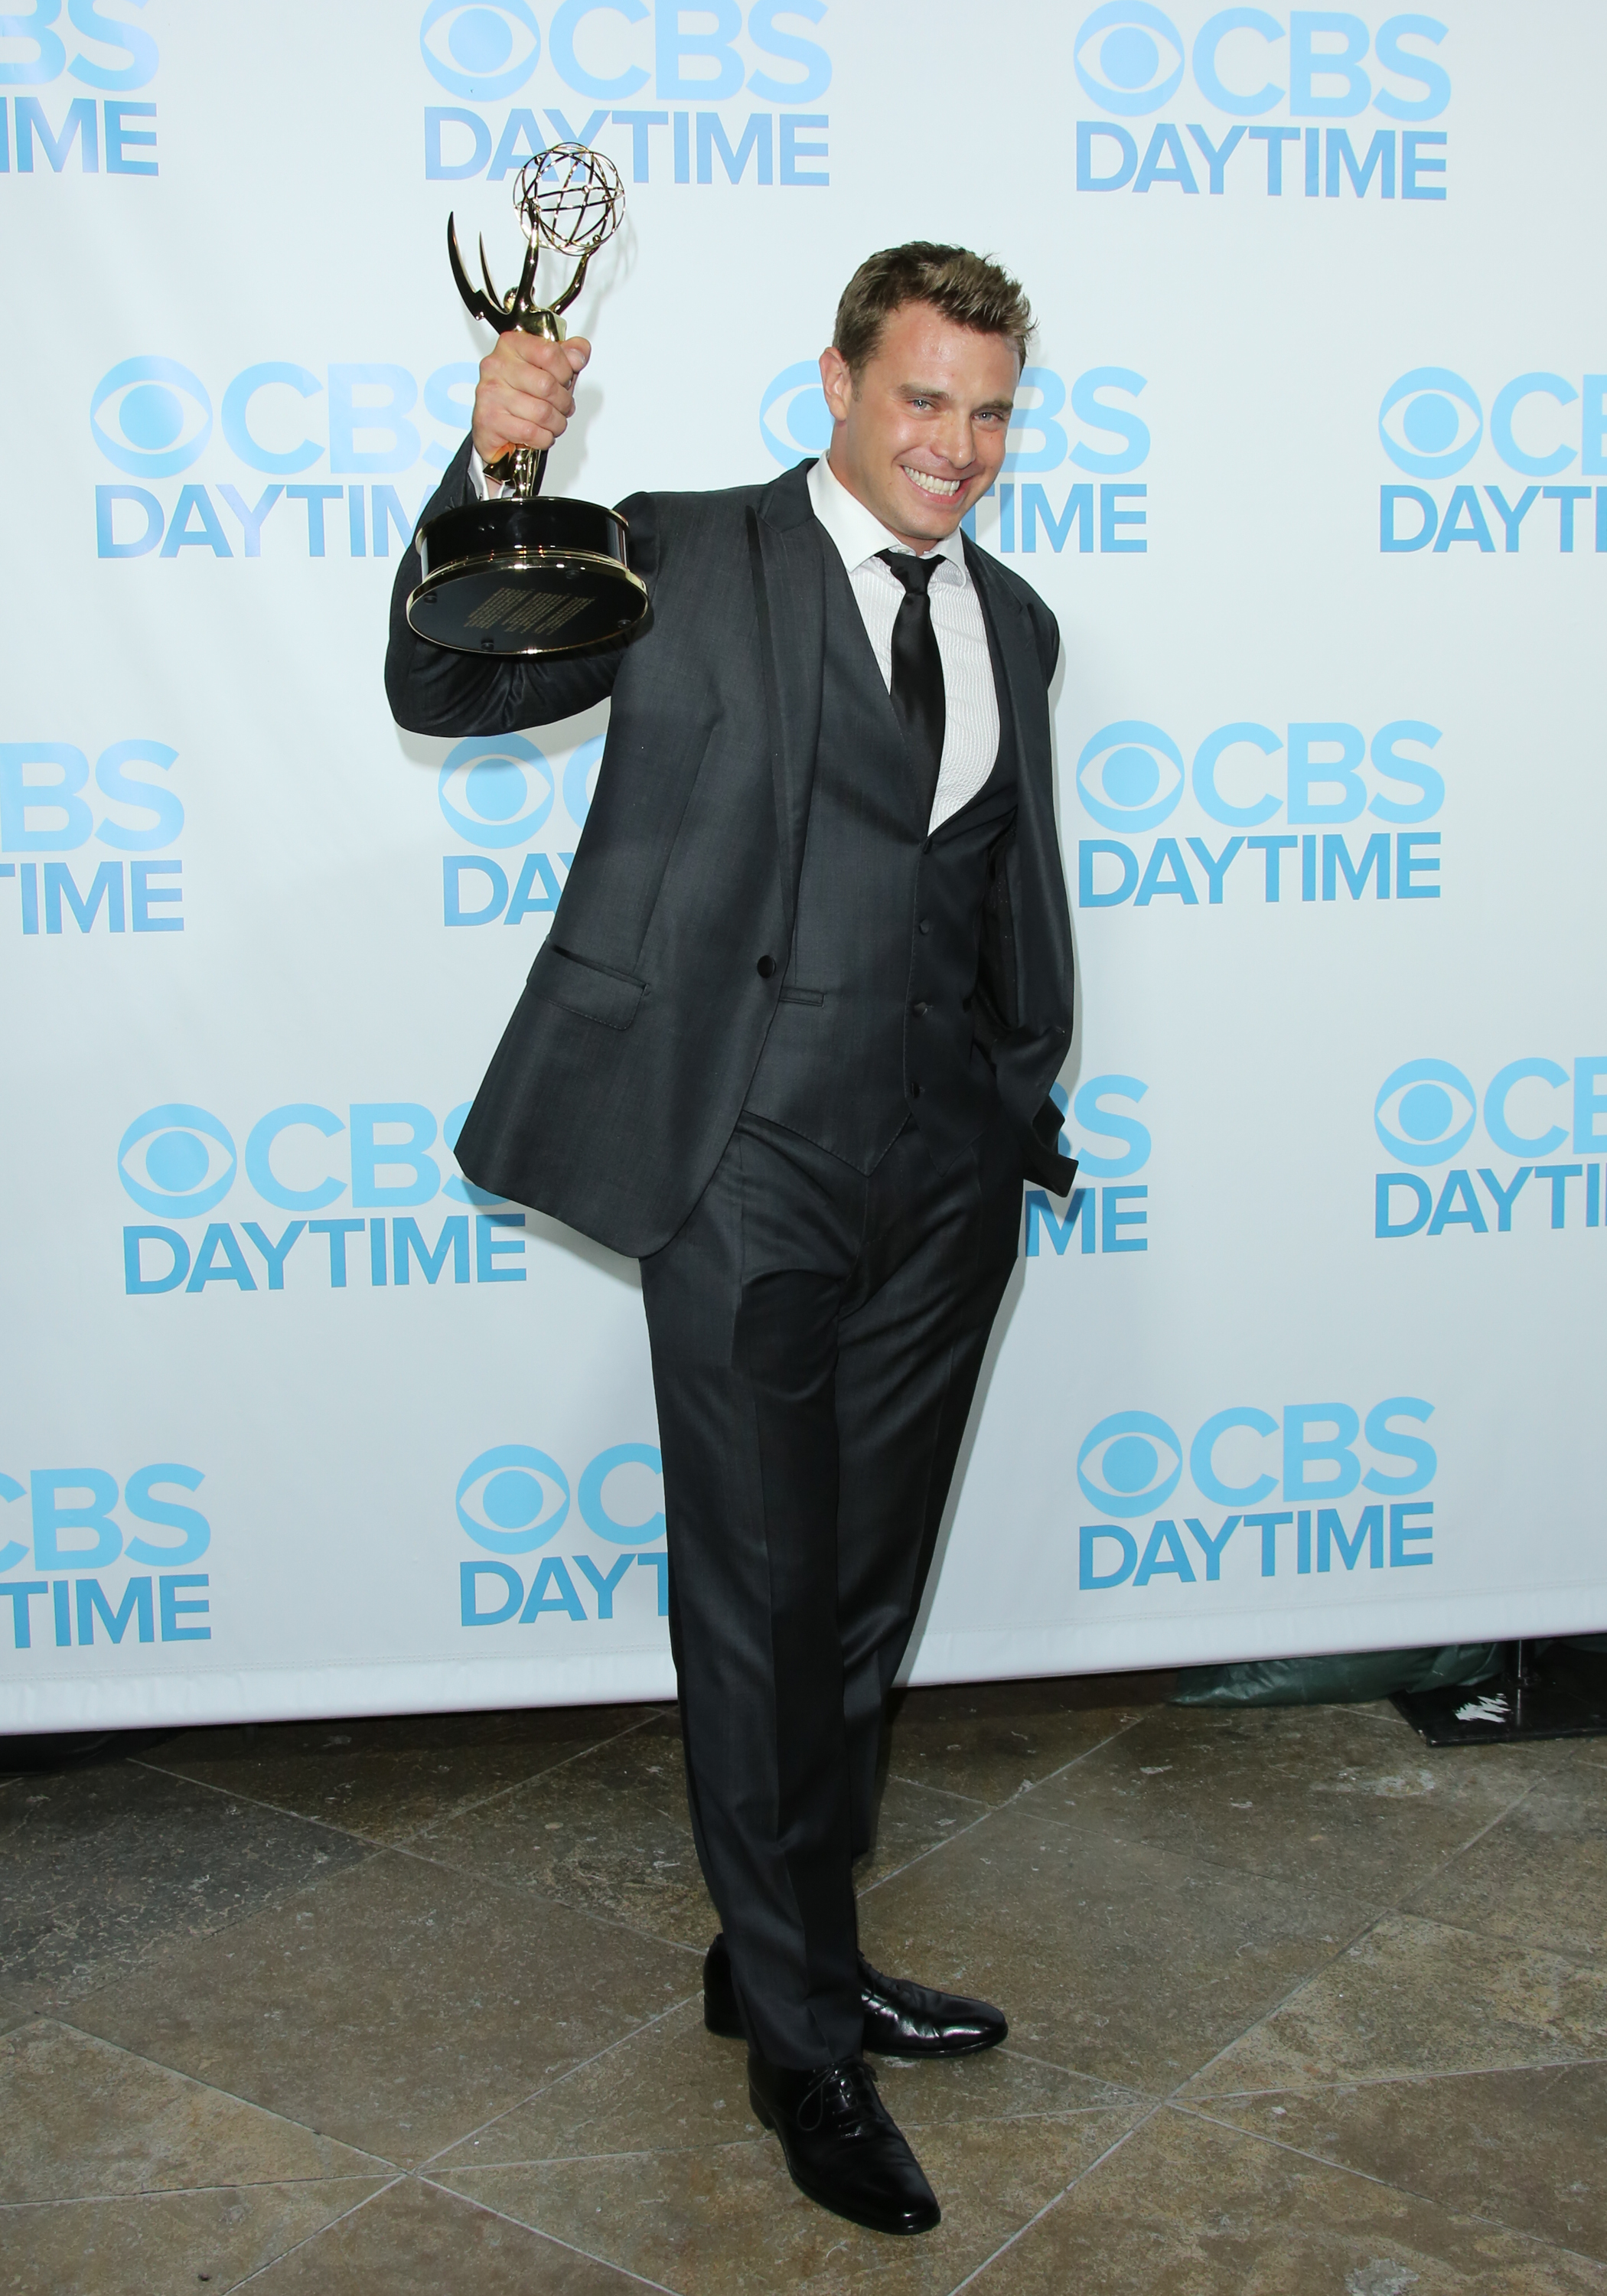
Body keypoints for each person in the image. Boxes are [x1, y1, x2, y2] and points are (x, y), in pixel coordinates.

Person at [386, 243, 1076, 2238]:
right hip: (738, 1156)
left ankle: (789, 1946)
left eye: (990, 410)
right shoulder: (678, 547)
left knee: (863, 1598)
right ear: (839, 383)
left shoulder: (1014, 621)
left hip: (942, 1173)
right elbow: (448, 672)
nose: (955, 446)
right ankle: (798, 2045)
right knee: (760, 1595)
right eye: (923, 398)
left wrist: (1016, 1103)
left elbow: (1003, 883)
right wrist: (488, 464)